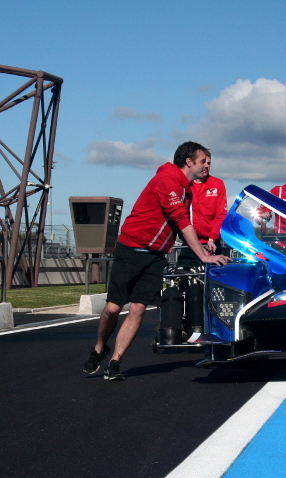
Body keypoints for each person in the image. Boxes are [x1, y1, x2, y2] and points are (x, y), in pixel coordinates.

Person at [82, 142, 231, 381]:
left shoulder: (187, 188)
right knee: (112, 308)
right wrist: (203, 255)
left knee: (139, 308)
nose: (207, 166)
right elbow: (181, 219)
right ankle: (100, 347)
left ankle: (115, 362)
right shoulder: (167, 181)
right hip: (131, 248)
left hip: (155, 256)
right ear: (189, 162)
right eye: (203, 161)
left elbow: (190, 219)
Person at [176, 151, 228, 266]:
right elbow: (178, 214)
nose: (206, 166)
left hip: (211, 243)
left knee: (213, 279)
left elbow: (221, 215)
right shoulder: (186, 184)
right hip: (189, 243)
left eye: (209, 163)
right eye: (203, 162)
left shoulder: (217, 184)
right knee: (185, 278)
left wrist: (212, 238)